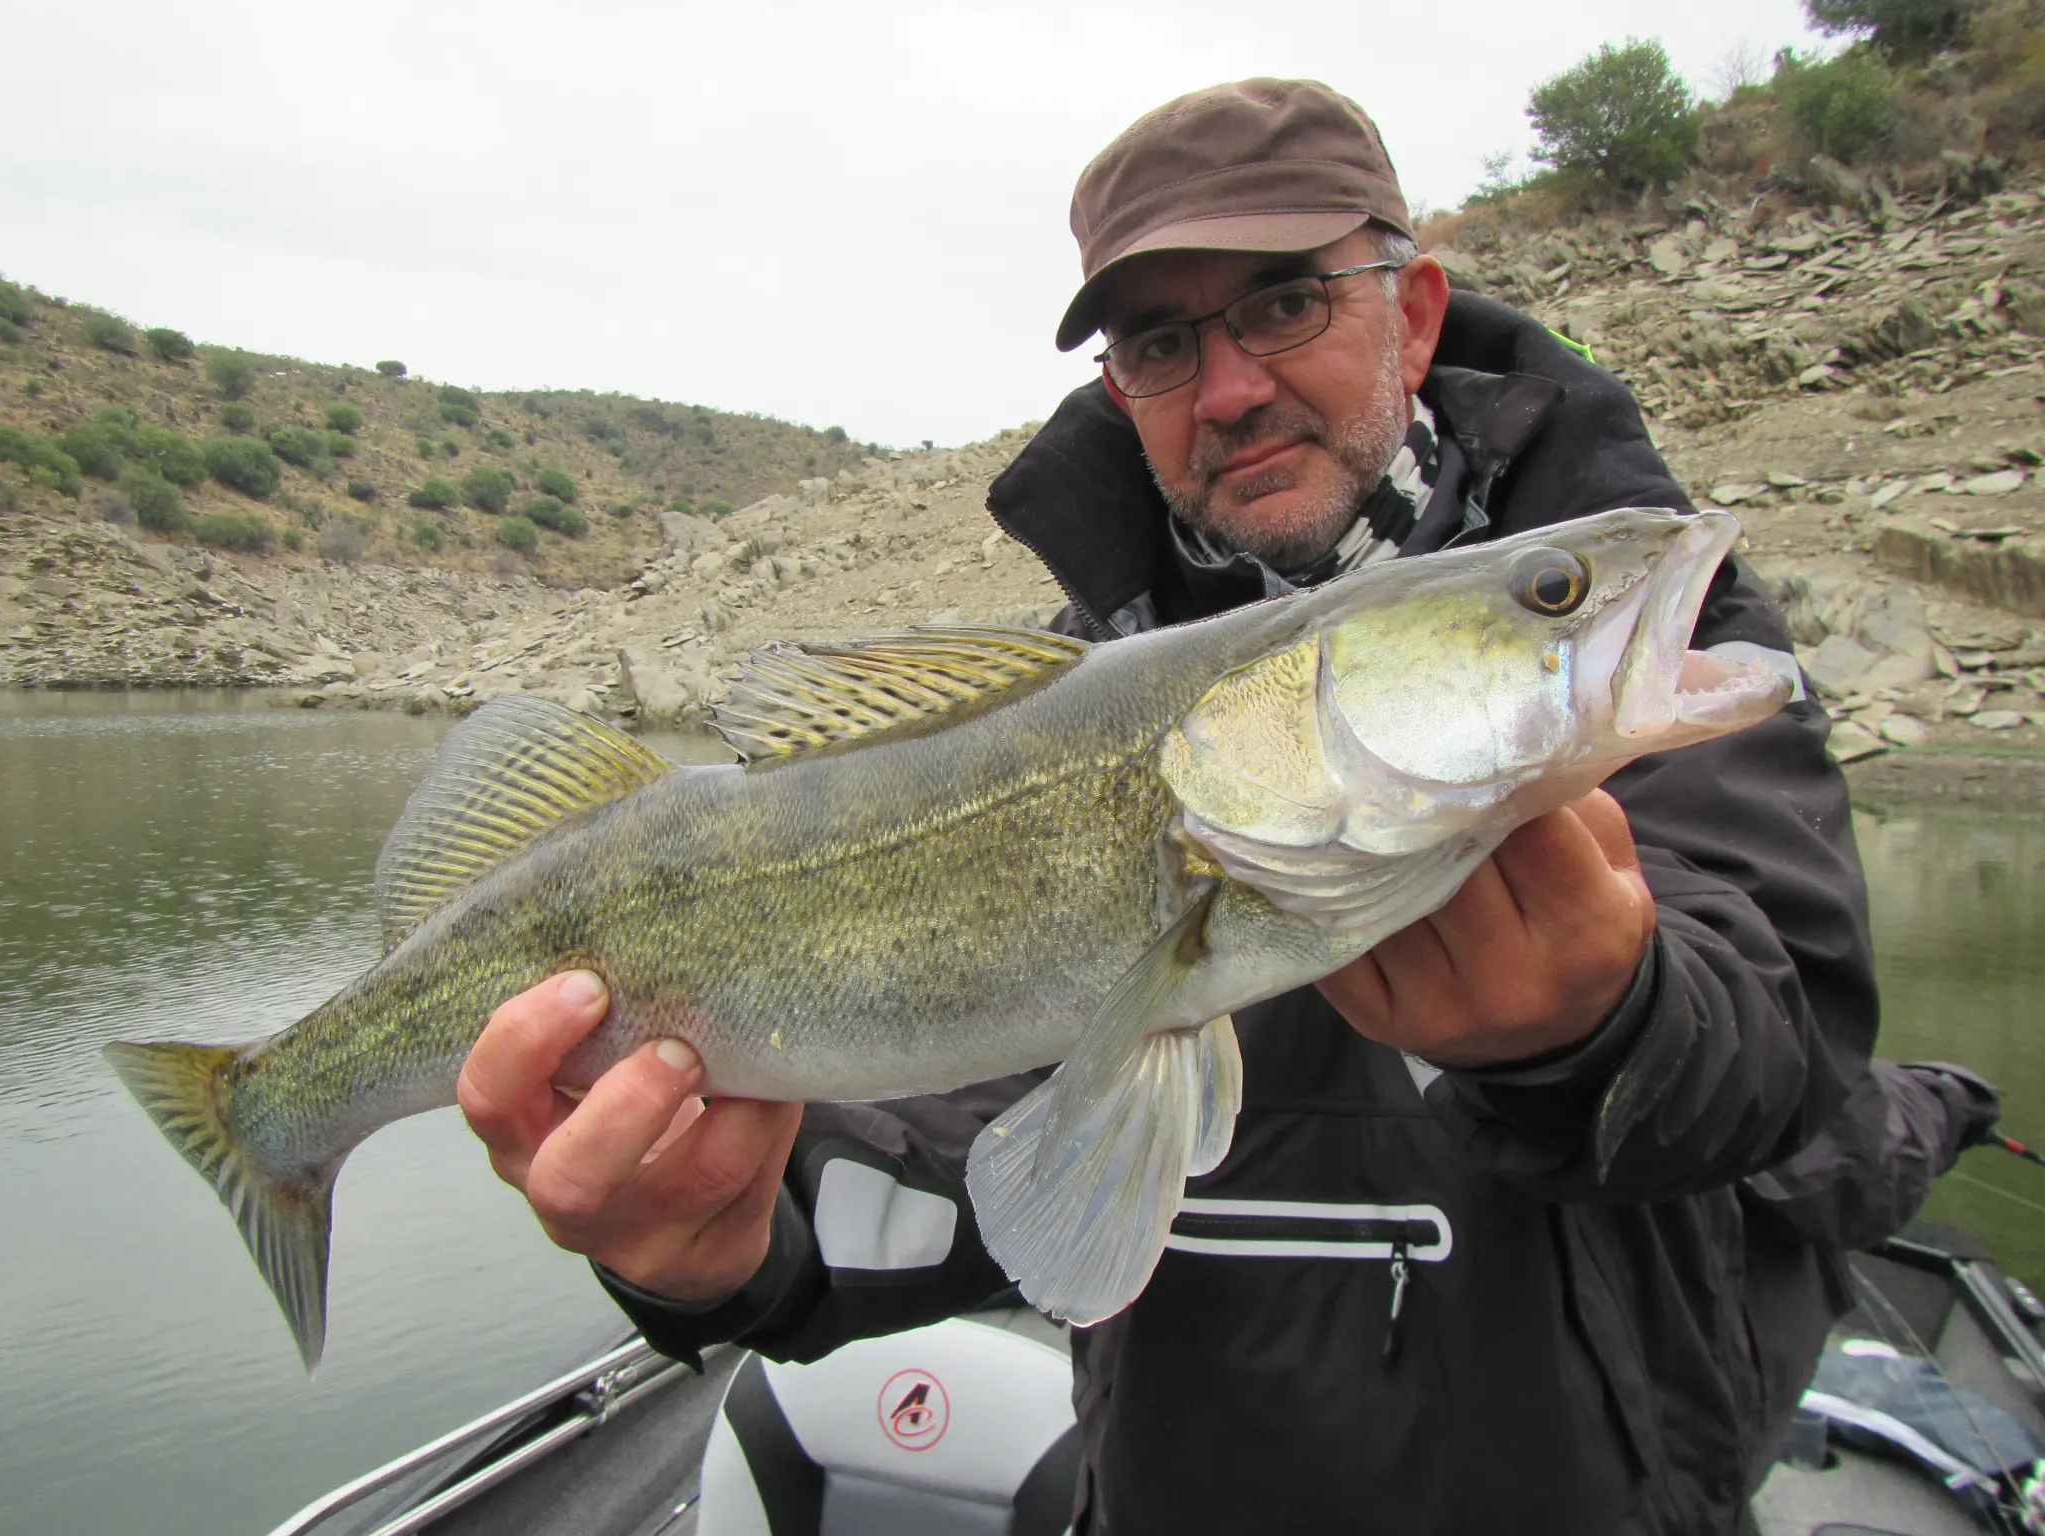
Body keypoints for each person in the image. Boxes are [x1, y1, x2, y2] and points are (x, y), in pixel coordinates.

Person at [458, 79, 1949, 1533]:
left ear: (1413, 312)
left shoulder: (1597, 667)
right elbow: (957, 1156)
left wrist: (1606, 1025)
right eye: (1163, 341)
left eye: (1288, 302)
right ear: (1121, 385)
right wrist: (728, 1242)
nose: (1230, 386)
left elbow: (1792, 1048)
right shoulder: (1051, 712)